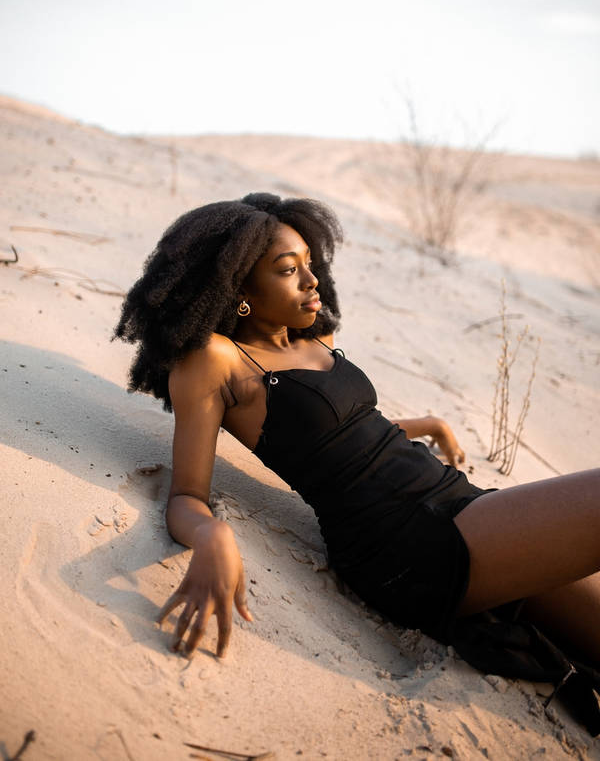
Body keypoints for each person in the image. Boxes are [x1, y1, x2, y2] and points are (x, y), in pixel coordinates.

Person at [114, 192, 600, 703]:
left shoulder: (310, 338)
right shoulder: (217, 361)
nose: (311, 280)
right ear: (239, 290)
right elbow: (186, 496)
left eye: (309, 263)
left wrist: (427, 423)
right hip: (405, 542)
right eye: (288, 269)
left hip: (460, 502)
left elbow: (350, 433)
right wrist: (212, 536)